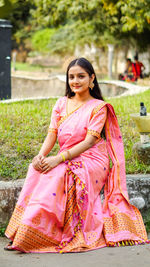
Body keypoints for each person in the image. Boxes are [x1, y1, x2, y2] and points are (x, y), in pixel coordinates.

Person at [4, 58, 149, 253]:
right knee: (36, 169)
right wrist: (40, 156)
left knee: (58, 172)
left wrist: (58, 159)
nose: (75, 81)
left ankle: (47, 235)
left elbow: (89, 142)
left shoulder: (98, 107)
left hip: (93, 159)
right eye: (71, 77)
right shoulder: (61, 103)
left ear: (92, 79)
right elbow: (52, 134)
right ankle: (27, 232)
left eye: (81, 76)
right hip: (68, 155)